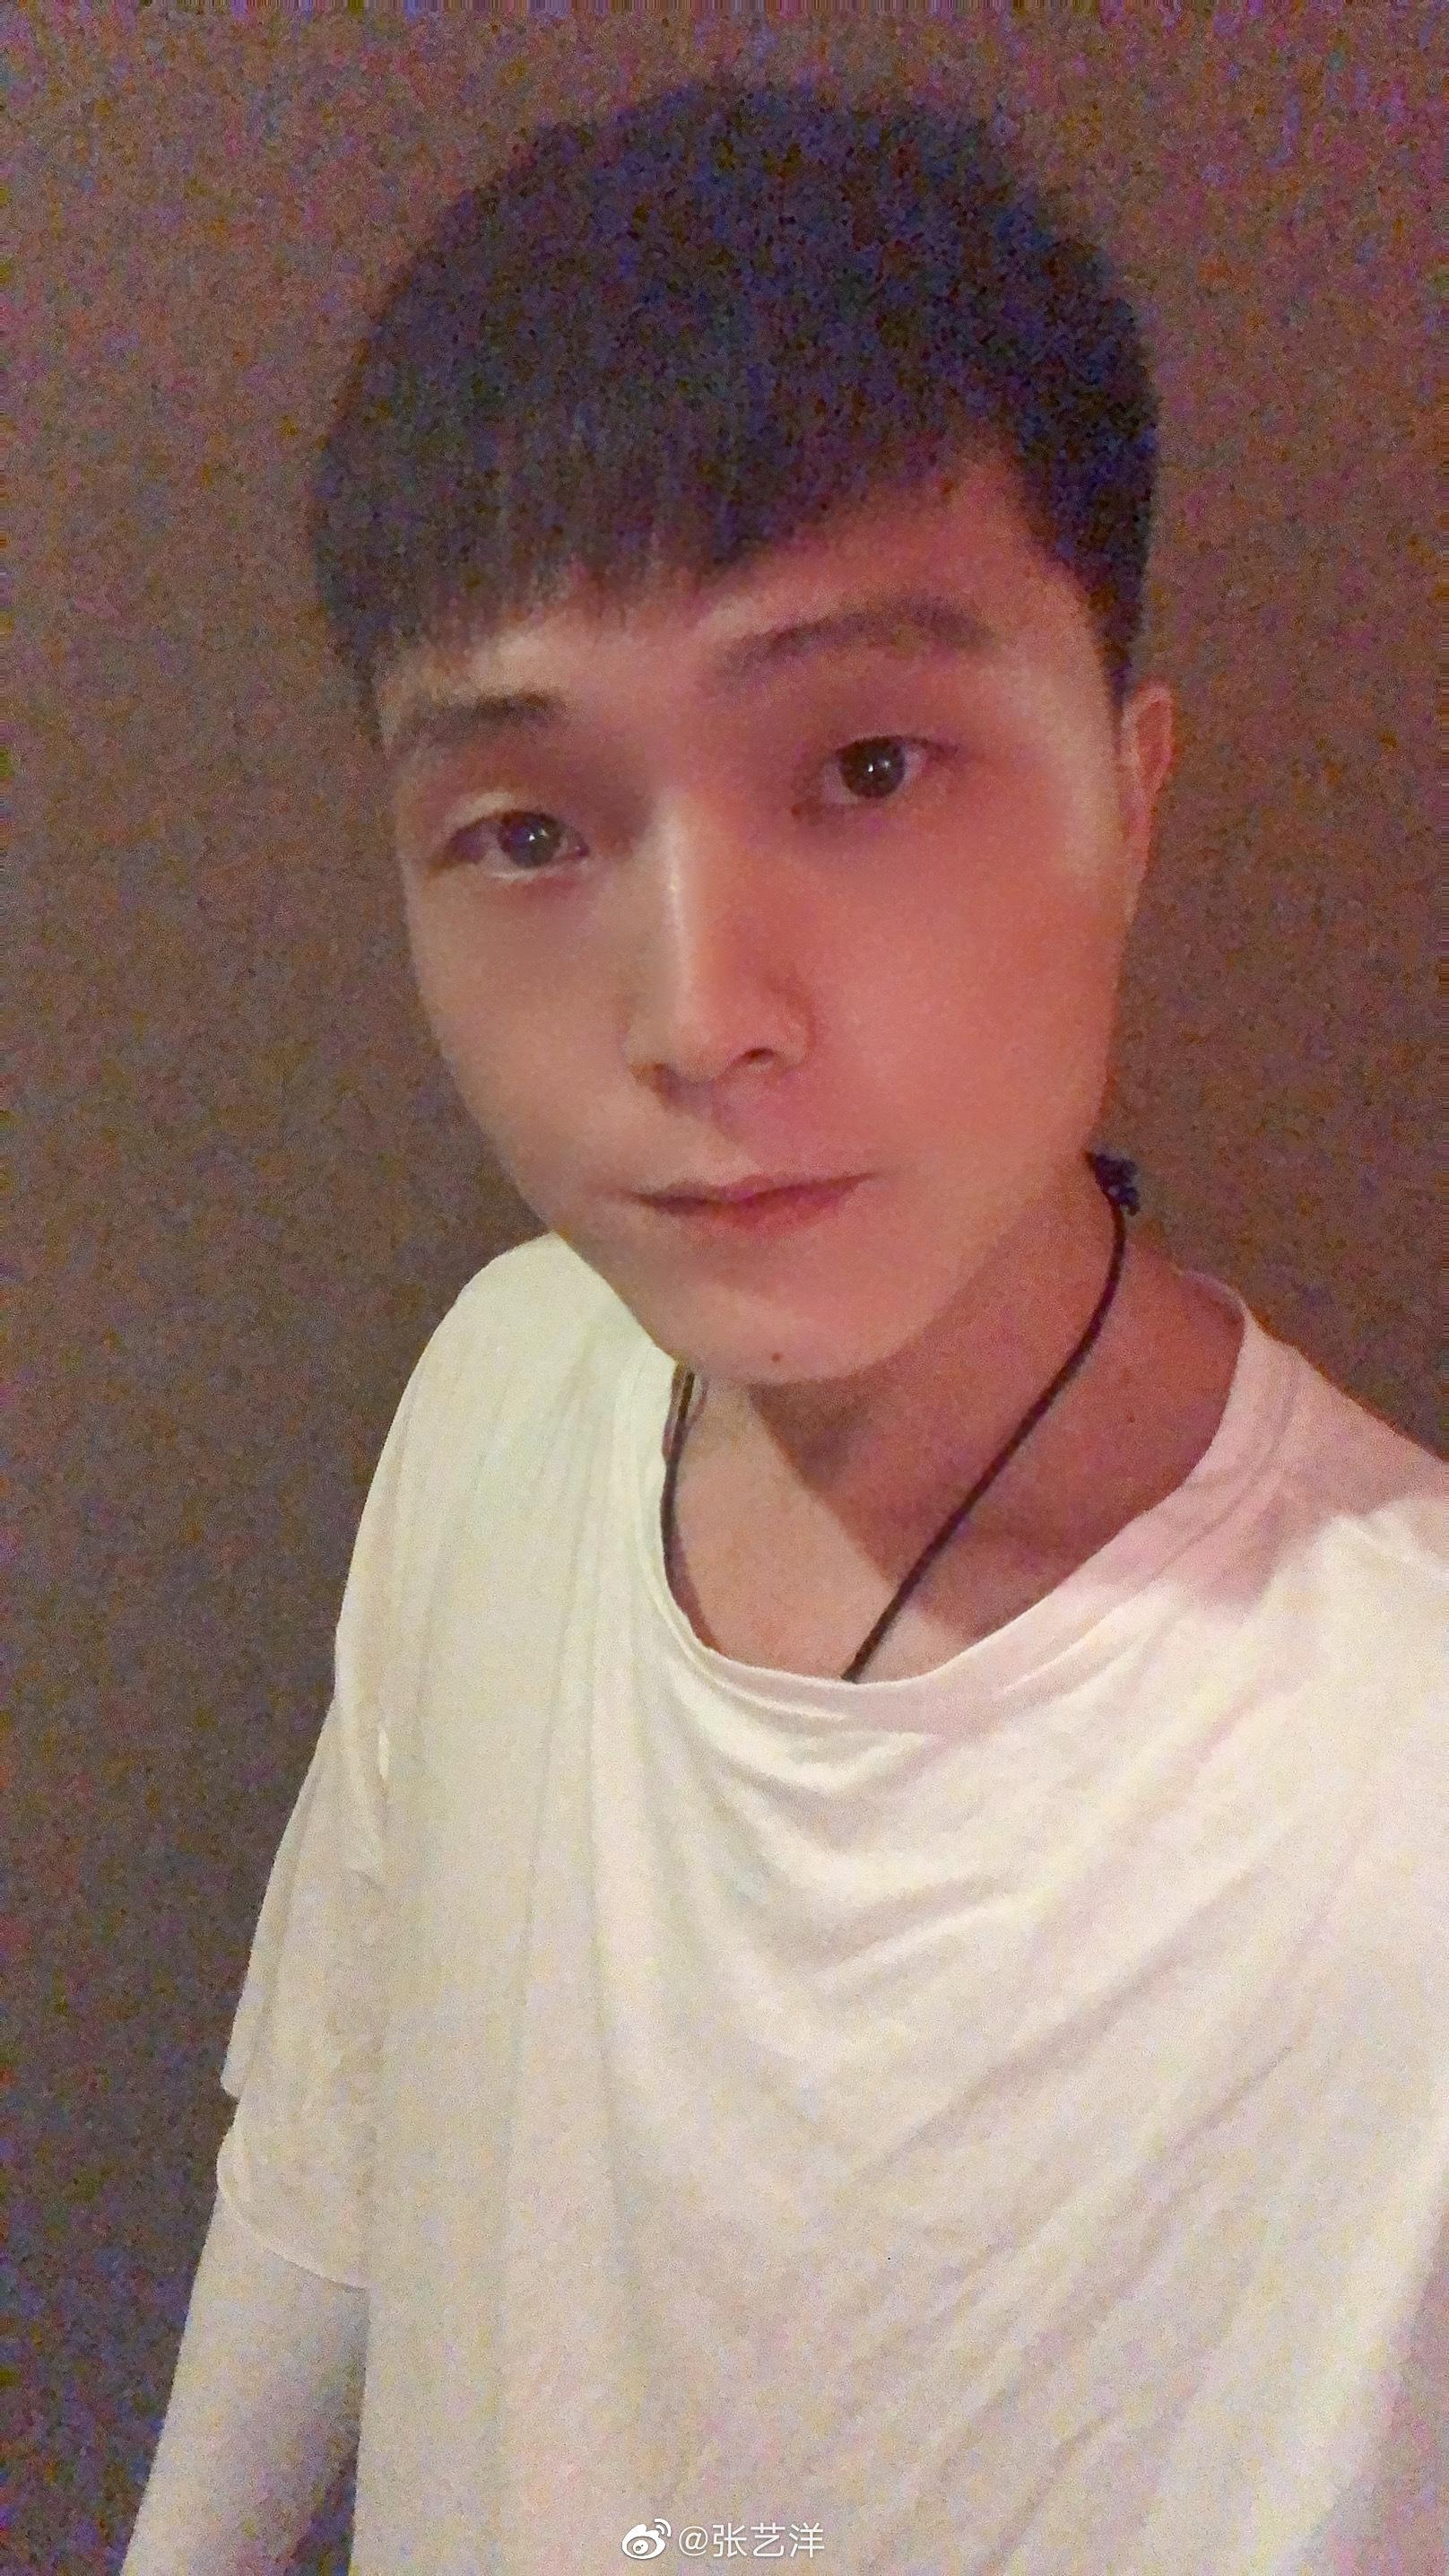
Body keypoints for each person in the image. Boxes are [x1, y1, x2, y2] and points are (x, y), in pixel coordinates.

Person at [122, 76, 1446, 2576]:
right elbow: (336, 2137)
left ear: (1132, 797)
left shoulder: (1397, 1813)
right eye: (529, 828)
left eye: (867, 763)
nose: (699, 1011)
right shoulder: (507, 1386)